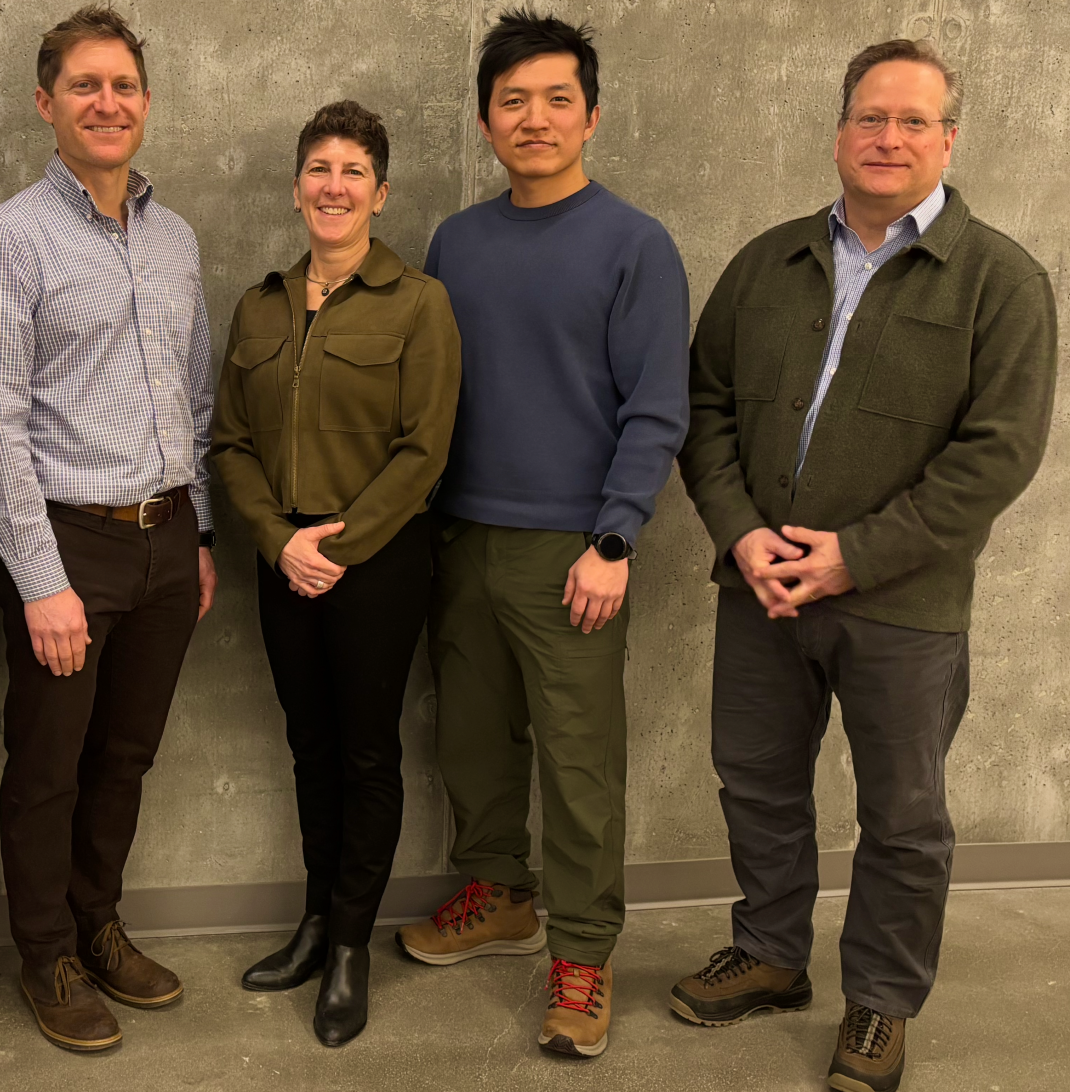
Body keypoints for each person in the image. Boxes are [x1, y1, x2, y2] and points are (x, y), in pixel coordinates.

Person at [673, 39, 1056, 1092]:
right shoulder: (767, 264)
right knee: (757, 783)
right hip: (760, 587)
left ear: (949, 138)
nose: (889, 137)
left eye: (913, 120)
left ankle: (881, 1001)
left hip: (905, 604)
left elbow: (999, 454)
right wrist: (740, 531)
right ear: (840, 131)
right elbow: (705, 407)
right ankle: (770, 953)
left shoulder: (1002, 282)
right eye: (870, 117)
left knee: (903, 816)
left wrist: (856, 555)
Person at [393, 9, 690, 1061]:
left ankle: (583, 954)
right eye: (512, 100)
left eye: (557, 99)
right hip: (460, 537)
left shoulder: (635, 245)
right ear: (485, 121)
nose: (535, 118)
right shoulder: (456, 243)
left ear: (591, 116)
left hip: (574, 552)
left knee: (578, 763)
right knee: (470, 739)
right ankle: (500, 895)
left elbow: (656, 408)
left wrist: (614, 541)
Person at [0, 4, 216, 1054]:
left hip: (167, 538)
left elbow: (193, 395)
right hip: (69, 542)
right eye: (84, 85)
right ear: (45, 103)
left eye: (123, 85)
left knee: (127, 757)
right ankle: (46, 954)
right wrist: (39, 577)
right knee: (48, 767)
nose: (107, 102)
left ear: (145, 101)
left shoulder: (176, 238)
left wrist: (199, 536)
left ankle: (99, 924)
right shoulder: (3, 242)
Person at [211, 100, 461, 1047]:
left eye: (354, 171)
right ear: (296, 188)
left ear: (380, 193)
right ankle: (315, 924)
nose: (335, 186)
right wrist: (280, 542)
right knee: (310, 749)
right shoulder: (260, 305)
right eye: (319, 168)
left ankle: (351, 944)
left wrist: (335, 547)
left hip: (378, 568)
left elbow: (424, 450)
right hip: (285, 565)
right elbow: (231, 443)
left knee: (365, 753)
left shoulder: (420, 304)